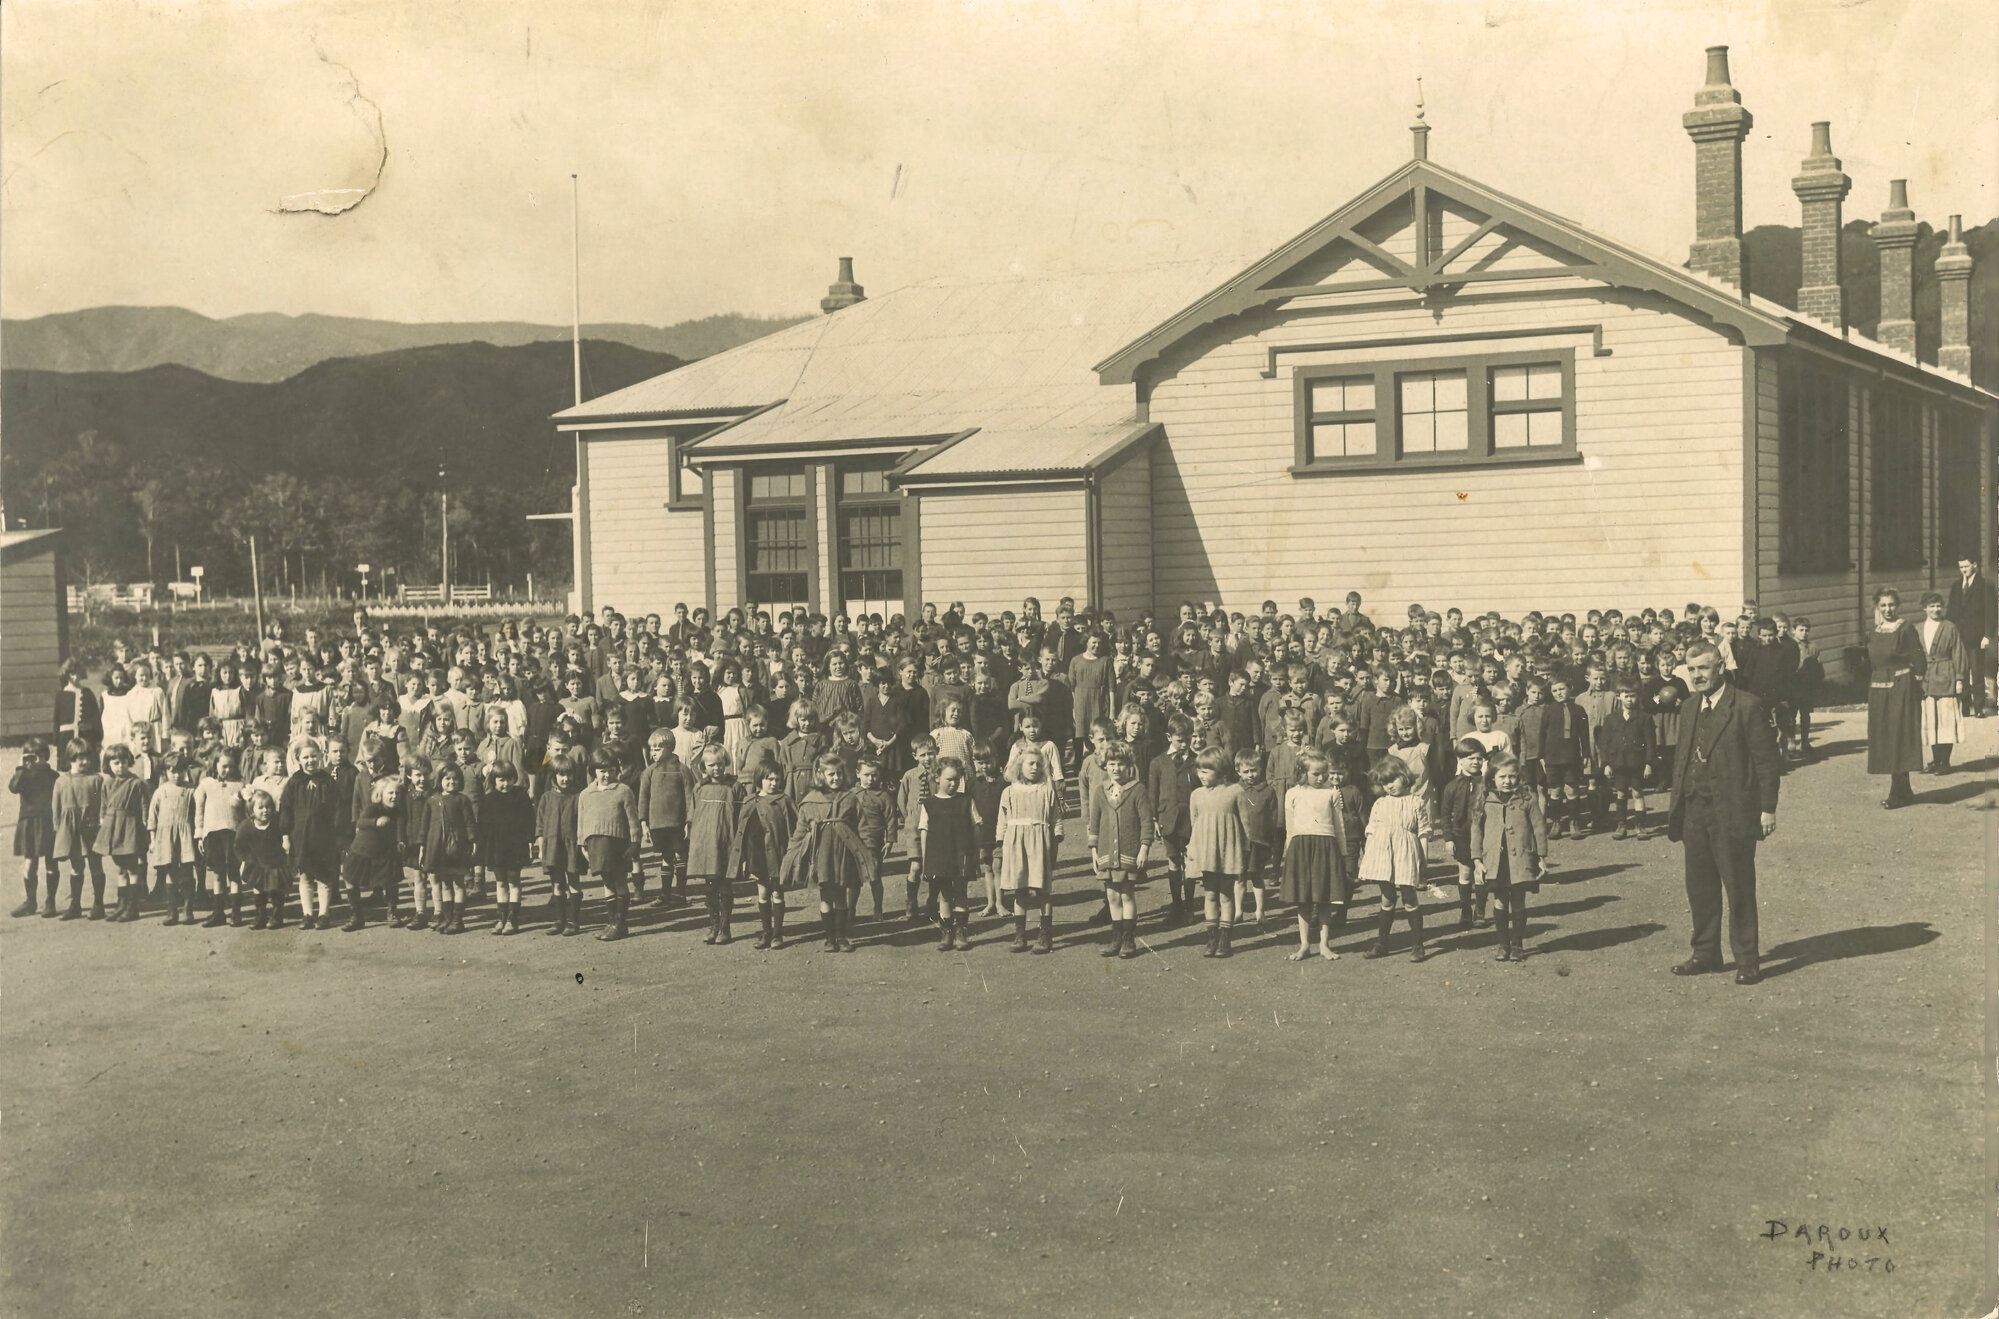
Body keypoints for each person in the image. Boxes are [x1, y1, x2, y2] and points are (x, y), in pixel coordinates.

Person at [1666, 640, 1779, 985]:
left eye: (1704, 668)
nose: (1698, 675)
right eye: (1692, 668)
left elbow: (1766, 762)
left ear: (1720, 668)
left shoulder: (1746, 706)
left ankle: (1747, 961)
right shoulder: (1687, 708)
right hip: (1694, 811)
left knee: (1739, 887)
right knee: (1699, 887)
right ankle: (1705, 953)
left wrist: (1767, 808)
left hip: (1732, 811)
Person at [1472, 753, 1548, 962]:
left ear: (1519, 777)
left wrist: (1541, 855)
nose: (1507, 781)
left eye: (1512, 777)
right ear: (1492, 778)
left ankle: (1517, 945)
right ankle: (1502, 945)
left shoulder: (1527, 798)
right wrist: (1477, 859)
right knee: (1499, 901)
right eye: (1502, 777)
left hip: (1520, 861)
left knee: (1518, 901)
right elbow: (1476, 830)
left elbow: (1539, 827)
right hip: (1495, 861)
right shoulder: (1486, 800)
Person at [1085, 741, 1152, 960]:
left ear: (1129, 765)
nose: (1116, 768)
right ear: (1105, 765)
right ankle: (1115, 937)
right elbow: (1094, 823)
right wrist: (1094, 851)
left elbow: (1146, 822)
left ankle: (1128, 938)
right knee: (1112, 895)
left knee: (1126, 894)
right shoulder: (1100, 791)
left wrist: (1144, 849)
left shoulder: (1137, 789)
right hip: (1106, 852)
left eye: (1121, 764)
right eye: (1112, 763)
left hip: (1129, 852)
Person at [1357, 758, 1428, 962]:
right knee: (1387, 898)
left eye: (1393, 780)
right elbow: (1371, 830)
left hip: (1406, 851)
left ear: (1404, 776)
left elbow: (1423, 833)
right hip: (1382, 853)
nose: (1389, 785)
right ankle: (1382, 943)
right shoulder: (1380, 803)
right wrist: (1369, 858)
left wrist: (1424, 861)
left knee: (1409, 897)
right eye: (1384, 782)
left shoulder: (1416, 801)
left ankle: (1417, 944)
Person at [1863, 589, 1926, 808]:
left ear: (1897, 606)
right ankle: (1905, 789)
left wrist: (1917, 684)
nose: (1888, 609)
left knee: (1899, 736)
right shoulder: (1874, 631)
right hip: (1879, 688)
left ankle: (1897, 793)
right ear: (1877, 608)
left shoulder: (1906, 628)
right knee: (1885, 736)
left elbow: (1919, 657)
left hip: (1901, 686)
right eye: (1883, 606)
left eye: (1891, 605)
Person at [998, 747, 1061, 954]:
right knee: (1020, 890)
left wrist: (1057, 837)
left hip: (1040, 842)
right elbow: (1003, 820)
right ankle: (1020, 934)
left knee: (1043, 890)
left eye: (1038, 764)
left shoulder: (1046, 790)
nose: (1035, 767)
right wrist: (1001, 840)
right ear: (1019, 766)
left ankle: (1045, 934)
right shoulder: (1009, 792)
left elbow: (1055, 818)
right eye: (1030, 764)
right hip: (1016, 844)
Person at [1915, 592, 1970, 774]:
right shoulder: (1918, 628)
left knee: (1945, 721)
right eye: (1931, 606)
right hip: (1927, 679)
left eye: (1938, 605)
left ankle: (1945, 762)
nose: (1935, 609)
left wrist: (1960, 679)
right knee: (1931, 720)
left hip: (1946, 676)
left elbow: (1958, 653)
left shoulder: (1950, 627)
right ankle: (1936, 760)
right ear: (1924, 608)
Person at [10, 740, 57, 918]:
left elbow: (52, 788)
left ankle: (50, 901)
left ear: (45, 758)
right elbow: (13, 788)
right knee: (30, 863)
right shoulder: (23, 775)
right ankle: (31, 901)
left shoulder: (51, 776)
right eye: (29, 758)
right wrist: (21, 768)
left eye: (37, 758)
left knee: (51, 862)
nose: (33, 762)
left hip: (48, 822)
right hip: (29, 823)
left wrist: (37, 768)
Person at [1946, 553, 1993, 716]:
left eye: (1966, 566)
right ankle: (1965, 706)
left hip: (1977, 638)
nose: (1963, 570)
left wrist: (1987, 635)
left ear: (1974, 565)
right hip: (1959, 637)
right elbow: (1950, 612)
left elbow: (1991, 613)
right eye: (1961, 567)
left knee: (1977, 672)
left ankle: (1979, 708)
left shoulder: (1985, 586)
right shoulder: (1956, 586)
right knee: (1961, 672)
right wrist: (1949, 634)